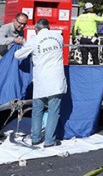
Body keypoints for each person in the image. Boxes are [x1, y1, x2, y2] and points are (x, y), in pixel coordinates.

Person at [14, 19, 67, 148]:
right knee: (53, 111)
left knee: (37, 110)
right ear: (48, 27)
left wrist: (22, 43)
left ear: (36, 29)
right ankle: (49, 141)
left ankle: (35, 138)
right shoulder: (59, 37)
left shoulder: (34, 40)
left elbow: (18, 55)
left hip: (41, 81)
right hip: (56, 80)